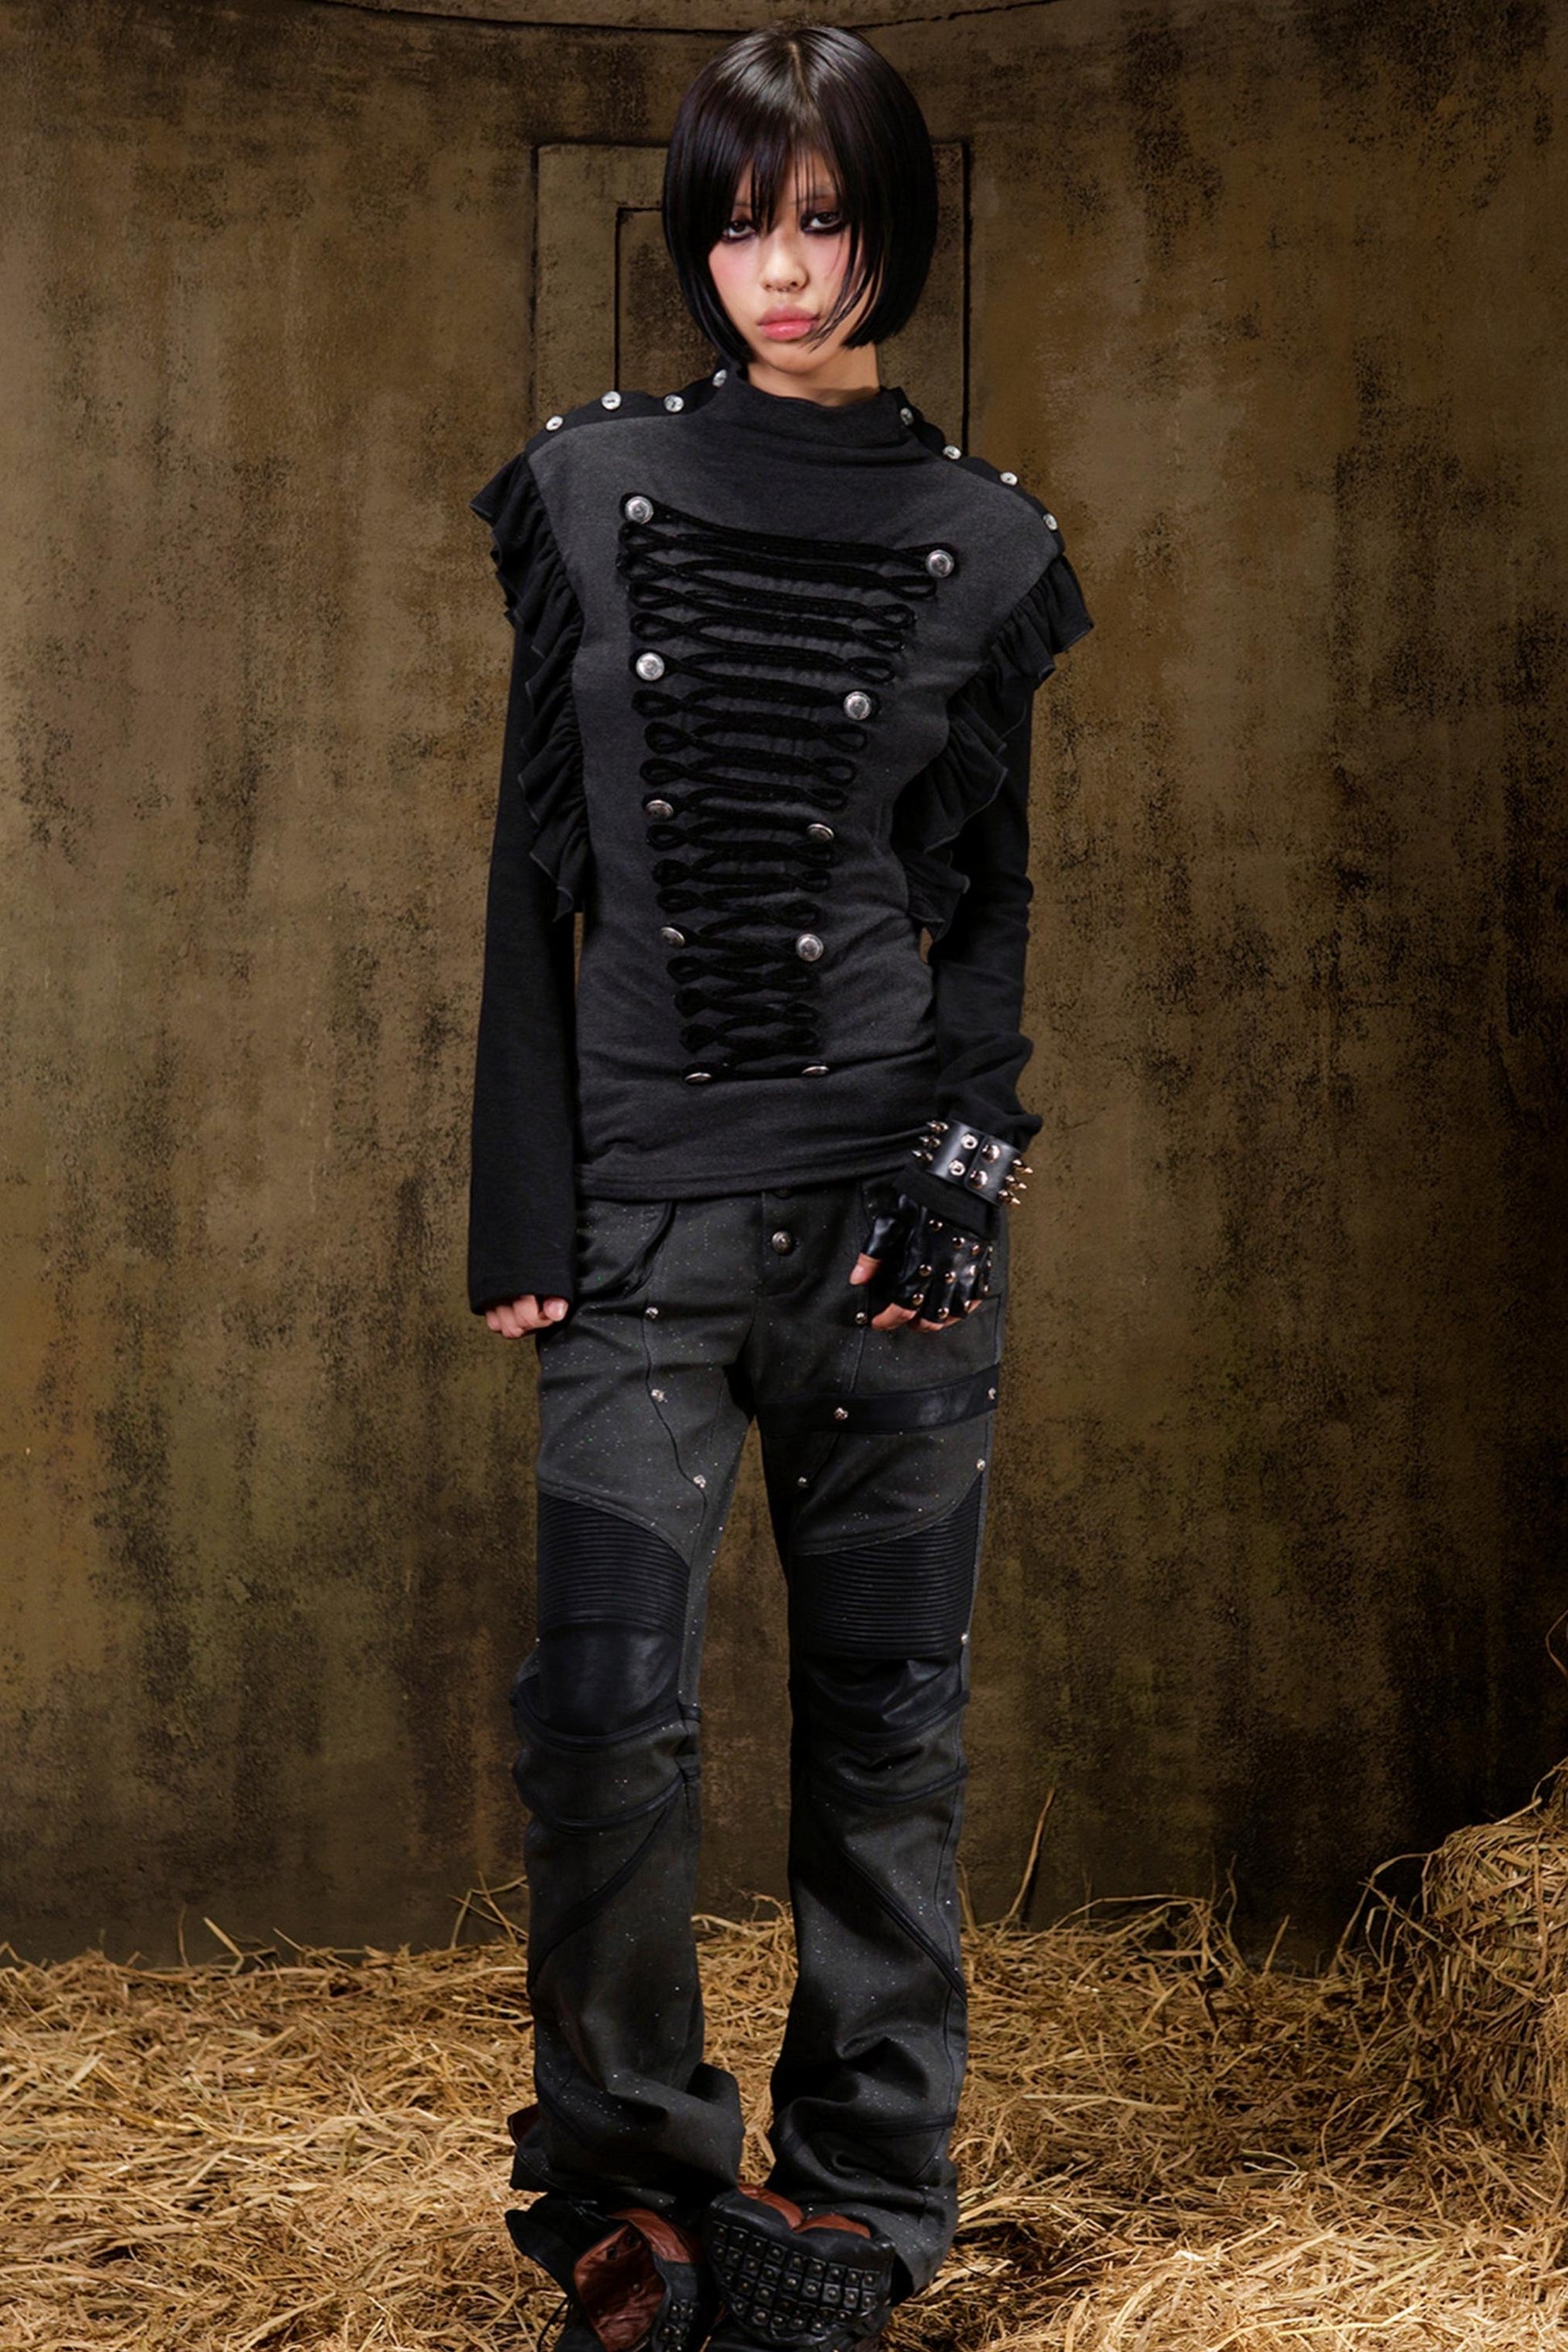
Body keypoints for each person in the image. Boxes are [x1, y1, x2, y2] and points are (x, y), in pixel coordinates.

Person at [465, 23, 1093, 2352]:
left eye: (825, 221)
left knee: (888, 1730)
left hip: (888, 1234)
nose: (785, 270)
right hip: (638, 1223)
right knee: (604, 1723)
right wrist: (525, 1216)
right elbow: (530, 879)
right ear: (696, 239)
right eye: (743, 224)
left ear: (891, 231)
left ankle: (860, 2200)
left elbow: (986, 908)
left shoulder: (991, 544)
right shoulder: (580, 490)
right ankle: (631, 2192)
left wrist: (963, 1175)